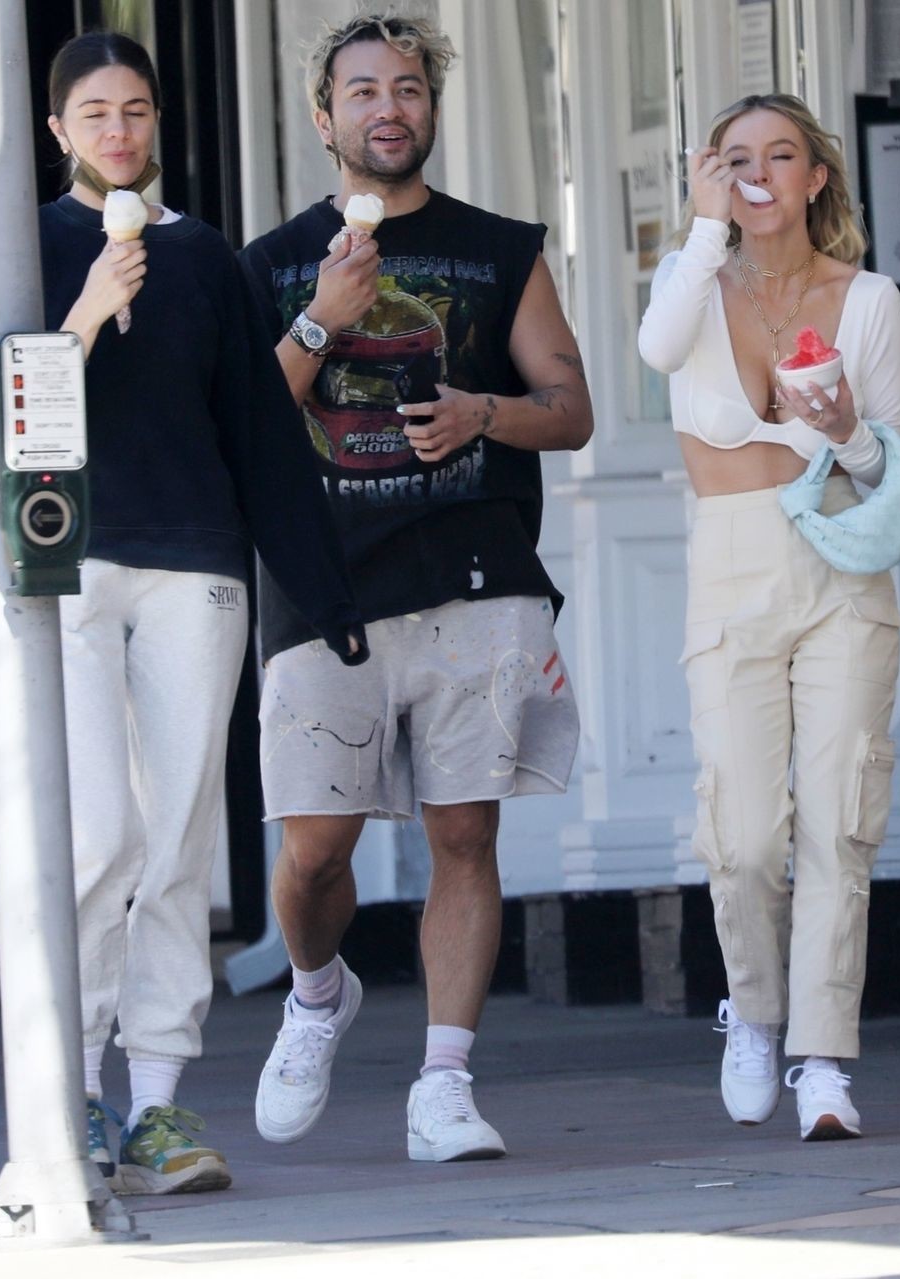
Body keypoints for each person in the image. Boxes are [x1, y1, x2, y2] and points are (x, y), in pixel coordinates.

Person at [239, 11, 591, 1164]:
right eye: (364, 91)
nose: (388, 108)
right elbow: (240, 429)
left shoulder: (498, 249)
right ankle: (316, 992)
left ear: (431, 105)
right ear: (324, 115)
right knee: (314, 853)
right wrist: (321, 319)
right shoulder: (268, 265)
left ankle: (445, 1082)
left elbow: (571, 410)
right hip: (322, 586)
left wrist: (484, 412)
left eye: (407, 87)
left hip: (474, 574)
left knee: (465, 834)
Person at [39, 31, 366, 1197]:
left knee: (180, 832)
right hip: (71, 562)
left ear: (157, 121)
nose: (118, 131)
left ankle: (158, 1103)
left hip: (197, 564)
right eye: (95, 113)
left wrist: (324, 593)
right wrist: (86, 310)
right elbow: (4, 407)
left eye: (135, 110)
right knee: (97, 836)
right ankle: (70, 1088)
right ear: (58, 130)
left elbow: (259, 430)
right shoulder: (29, 243)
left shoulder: (208, 256)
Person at [639, 92, 900, 1141]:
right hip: (732, 566)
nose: (758, 174)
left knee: (841, 819)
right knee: (745, 831)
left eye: (780, 155)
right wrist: (704, 229)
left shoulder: (868, 298)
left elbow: (884, 471)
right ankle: (753, 1011)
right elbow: (659, 350)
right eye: (736, 158)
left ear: (815, 176)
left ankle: (824, 1057)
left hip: (842, 565)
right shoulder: (691, 280)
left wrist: (843, 428)